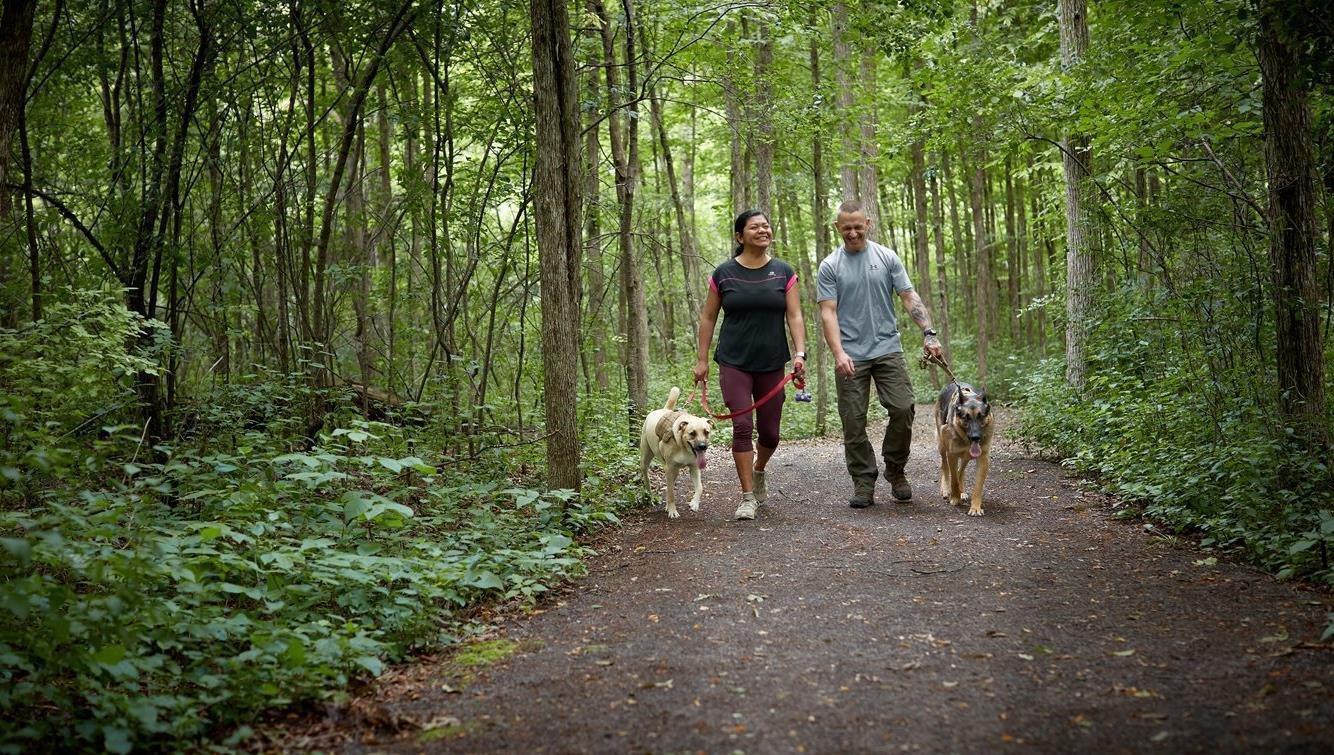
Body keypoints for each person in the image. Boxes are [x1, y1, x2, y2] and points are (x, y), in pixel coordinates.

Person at [817, 200, 944, 508]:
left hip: (887, 348)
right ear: (837, 227)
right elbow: (828, 313)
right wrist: (838, 353)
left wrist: (928, 333)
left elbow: (908, 296)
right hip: (850, 354)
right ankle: (863, 481)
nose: (852, 233)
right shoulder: (830, 265)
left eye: (857, 226)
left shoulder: (886, 257)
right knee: (853, 421)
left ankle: (895, 469)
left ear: (868, 224)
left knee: (903, 407)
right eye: (846, 228)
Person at [694, 209, 807, 521]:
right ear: (739, 236)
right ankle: (747, 497)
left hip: (772, 361)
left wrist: (800, 354)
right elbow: (708, 317)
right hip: (734, 361)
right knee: (743, 427)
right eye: (755, 227)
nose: (763, 230)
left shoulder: (783, 272)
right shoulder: (724, 273)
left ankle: (759, 470)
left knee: (770, 434)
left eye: (766, 226)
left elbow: (795, 315)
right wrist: (702, 360)